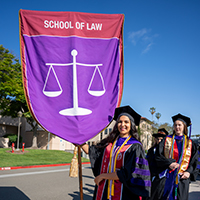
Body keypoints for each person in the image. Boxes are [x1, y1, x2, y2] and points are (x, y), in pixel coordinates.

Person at [80, 105, 151, 200]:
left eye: (126, 122)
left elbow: (128, 174)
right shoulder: (109, 143)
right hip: (104, 190)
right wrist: (77, 141)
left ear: (131, 125)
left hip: (124, 192)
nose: (122, 125)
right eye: (120, 122)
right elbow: (93, 153)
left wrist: (103, 176)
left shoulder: (135, 146)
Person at [154, 113, 198, 200]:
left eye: (179, 125)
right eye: (175, 125)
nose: (177, 127)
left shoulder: (190, 143)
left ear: (184, 126)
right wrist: (168, 164)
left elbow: (195, 161)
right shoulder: (166, 140)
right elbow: (158, 156)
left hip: (182, 178)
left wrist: (188, 172)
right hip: (167, 177)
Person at [146, 128, 168, 200]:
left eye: (161, 139)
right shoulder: (151, 150)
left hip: (162, 177)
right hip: (152, 176)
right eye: (157, 139)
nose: (159, 141)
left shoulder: (167, 152)